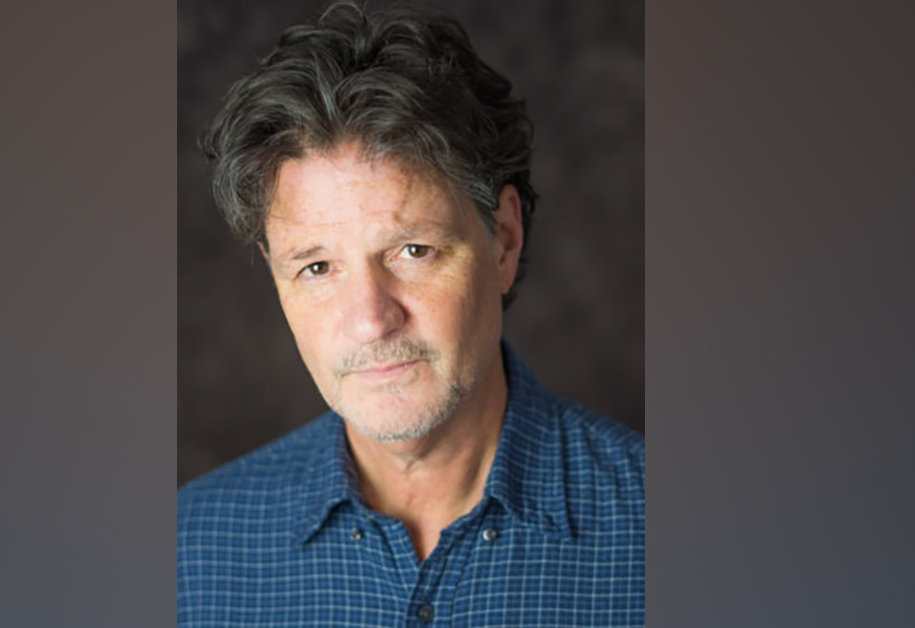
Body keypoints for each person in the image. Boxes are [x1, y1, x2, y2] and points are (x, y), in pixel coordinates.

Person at [177, 2, 644, 625]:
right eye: (317, 267)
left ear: (503, 239)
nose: (371, 319)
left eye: (413, 250)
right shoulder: (190, 553)